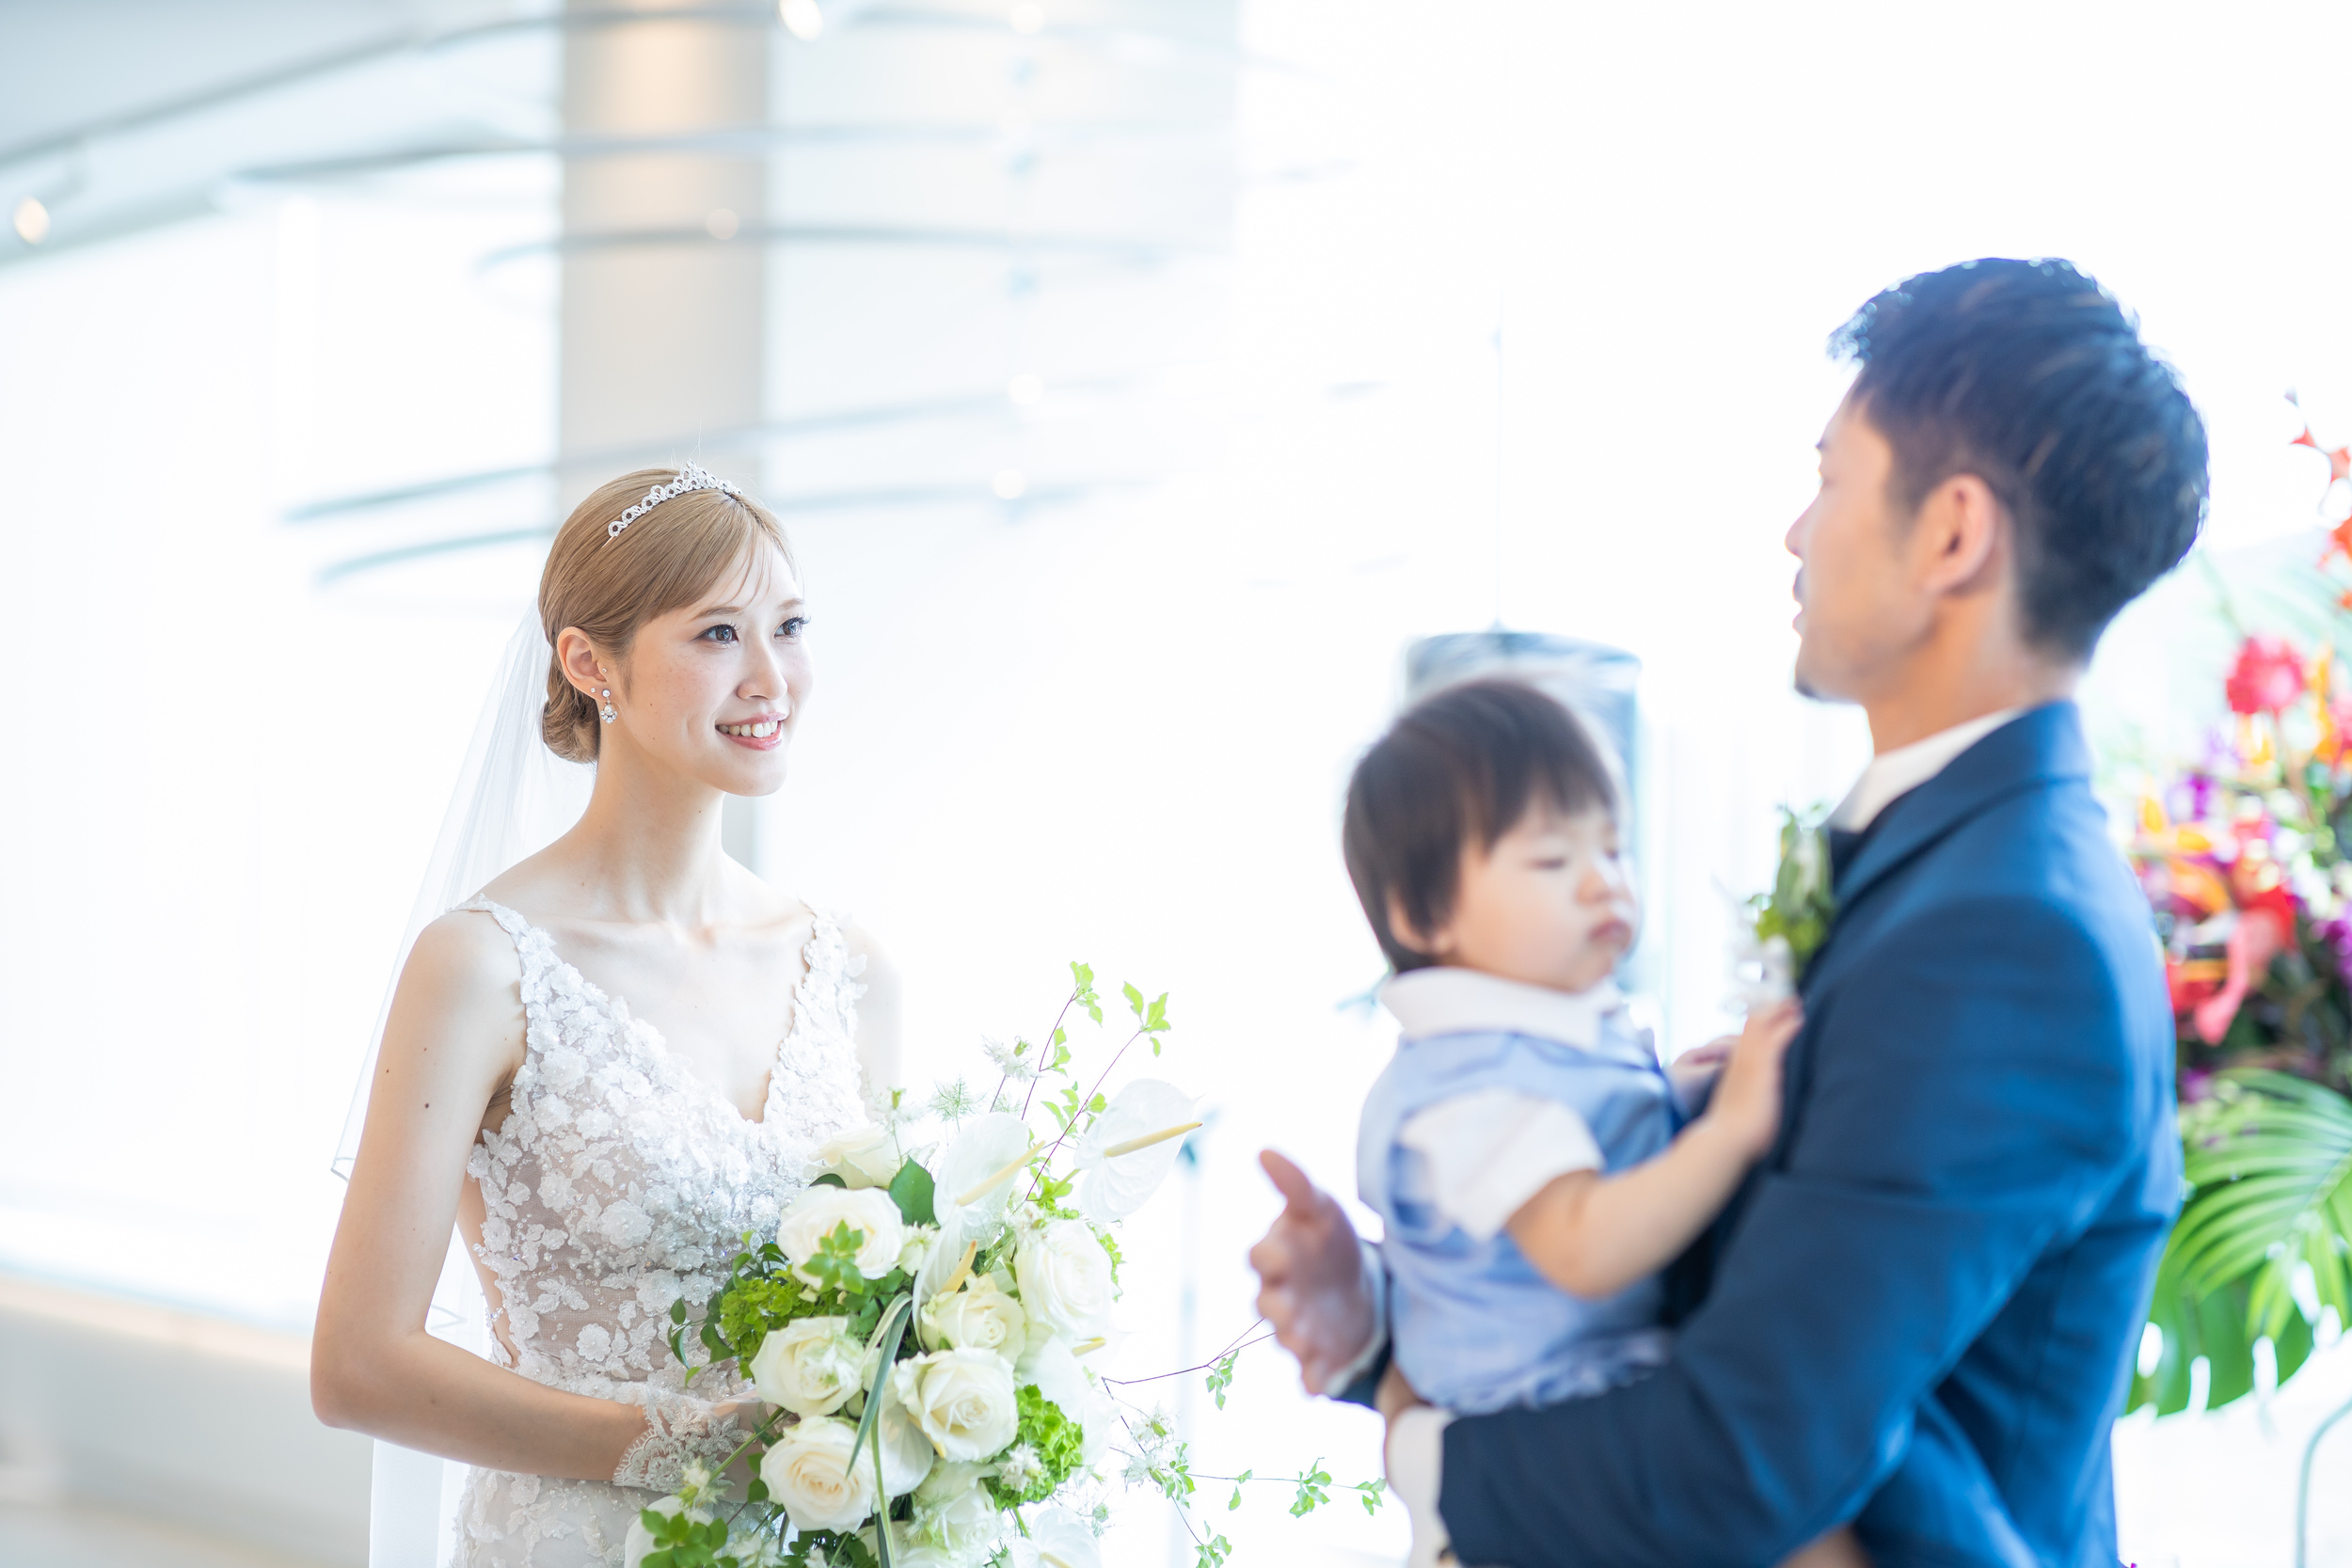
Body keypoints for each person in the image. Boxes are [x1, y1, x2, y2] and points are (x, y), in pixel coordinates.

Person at [1249, 257, 2207, 1566]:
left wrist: (1421, 1441)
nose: (1795, 533)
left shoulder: (2008, 934)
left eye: (1829, 476)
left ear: (1951, 533)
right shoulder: (1947, 864)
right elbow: (1736, 1292)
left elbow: (1752, 1445)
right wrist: (1379, 1333)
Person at [312, 466, 900, 1568]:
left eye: (789, 626)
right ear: (589, 663)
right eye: (718, 633)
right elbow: (357, 1366)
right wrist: (680, 1447)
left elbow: (893, 1301)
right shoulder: (483, 967)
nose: (771, 677)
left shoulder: (849, 969)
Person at [1341, 679, 1852, 1565]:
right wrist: (1726, 1128)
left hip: (1582, 1417)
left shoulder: (1546, 1038)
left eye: (1613, 848)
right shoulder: (1467, 1088)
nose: (1601, 880)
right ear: (1426, 915)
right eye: (1551, 860)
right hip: (1533, 1451)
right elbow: (1584, 1244)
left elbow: (1592, 1146)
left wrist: (1673, 1096)